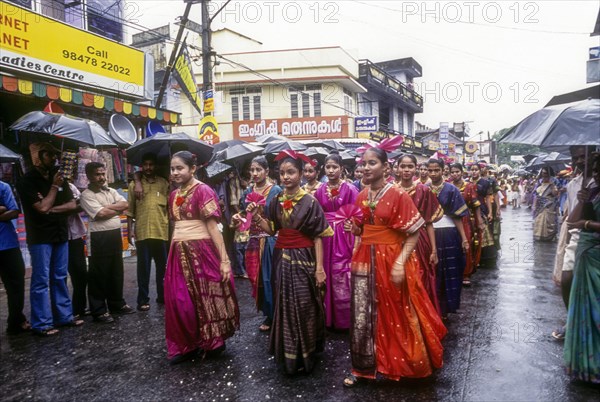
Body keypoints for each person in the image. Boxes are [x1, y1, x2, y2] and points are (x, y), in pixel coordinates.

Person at [343, 147, 446, 387]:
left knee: (396, 313)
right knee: (363, 313)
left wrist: (400, 262)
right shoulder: (361, 195)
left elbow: (414, 231)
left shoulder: (399, 194)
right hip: (364, 258)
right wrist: (356, 230)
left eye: (372, 163)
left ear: (386, 167)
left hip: (391, 258)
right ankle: (363, 367)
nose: (366, 168)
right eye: (363, 163)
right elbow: (361, 227)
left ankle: (402, 365)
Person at [247, 150, 333, 375]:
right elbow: (272, 229)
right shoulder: (275, 200)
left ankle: (307, 352)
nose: (286, 177)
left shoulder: (310, 201)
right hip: (282, 259)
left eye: (291, 172)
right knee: (283, 304)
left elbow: (317, 236)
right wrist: (257, 217)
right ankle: (288, 352)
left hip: (305, 258)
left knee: (305, 304)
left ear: (300, 174)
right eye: (282, 173)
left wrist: (320, 269)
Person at [164, 151, 240, 364]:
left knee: (206, 295)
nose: (175, 172)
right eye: (172, 169)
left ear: (192, 169)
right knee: (180, 300)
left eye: (180, 168)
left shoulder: (203, 190)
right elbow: (175, 228)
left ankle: (213, 341)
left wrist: (224, 260)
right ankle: (187, 344)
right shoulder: (173, 195)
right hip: (178, 252)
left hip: (202, 250)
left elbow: (213, 227)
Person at [16, 142, 82, 336]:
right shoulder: (27, 181)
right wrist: (54, 188)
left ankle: (63, 316)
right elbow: (41, 208)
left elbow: (72, 204)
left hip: (60, 233)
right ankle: (42, 323)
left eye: (55, 155)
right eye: (50, 155)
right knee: (41, 279)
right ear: (38, 157)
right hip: (40, 237)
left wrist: (52, 207)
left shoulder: (60, 178)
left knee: (60, 276)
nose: (54, 159)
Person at [80, 162, 135, 324]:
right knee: (99, 274)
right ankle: (98, 310)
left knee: (116, 271)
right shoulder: (86, 195)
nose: (101, 177)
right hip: (98, 238)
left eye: (103, 174)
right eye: (97, 174)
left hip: (114, 235)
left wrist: (108, 207)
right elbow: (101, 214)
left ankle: (116, 304)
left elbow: (126, 204)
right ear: (89, 176)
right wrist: (115, 209)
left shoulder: (111, 191)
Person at [552, 146, 597, 340]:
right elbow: (572, 220)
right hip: (579, 236)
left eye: (583, 156)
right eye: (575, 157)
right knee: (567, 279)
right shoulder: (573, 184)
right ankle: (572, 319)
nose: (580, 161)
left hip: (594, 238)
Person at [563, 152, 600, 384]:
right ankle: (588, 366)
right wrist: (583, 200)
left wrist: (586, 224)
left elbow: (581, 223)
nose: (596, 175)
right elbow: (572, 220)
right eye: (595, 171)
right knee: (585, 310)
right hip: (586, 255)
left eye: (598, 171)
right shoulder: (593, 192)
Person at [314, 152, 358, 330]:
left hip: (343, 233)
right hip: (325, 234)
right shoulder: (319, 190)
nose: (331, 170)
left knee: (342, 273)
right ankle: (327, 318)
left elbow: (356, 213)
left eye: (334, 167)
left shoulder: (350, 188)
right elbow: (316, 214)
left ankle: (344, 320)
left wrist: (352, 229)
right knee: (325, 271)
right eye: (328, 167)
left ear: (341, 169)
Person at [236, 156, 281, 332]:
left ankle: (274, 315)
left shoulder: (275, 190)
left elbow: (278, 217)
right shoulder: (248, 192)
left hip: (270, 239)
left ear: (267, 171)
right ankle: (267, 312)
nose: (254, 173)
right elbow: (243, 218)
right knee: (257, 280)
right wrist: (238, 218)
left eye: (258, 170)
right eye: (252, 170)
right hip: (253, 240)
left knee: (271, 279)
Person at [394, 154, 443, 312]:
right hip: (395, 240)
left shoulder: (424, 190)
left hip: (420, 241)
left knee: (419, 278)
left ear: (416, 168)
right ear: (397, 168)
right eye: (403, 166)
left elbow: (428, 223)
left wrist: (434, 249)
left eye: (410, 167)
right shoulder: (391, 190)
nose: (406, 170)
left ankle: (421, 316)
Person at [127, 153, 169, 311]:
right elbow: (130, 211)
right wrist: (129, 231)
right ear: (142, 166)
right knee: (143, 269)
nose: (148, 168)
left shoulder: (164, 183)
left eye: (151, 164)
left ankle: (163, 296)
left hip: (161, 231)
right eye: (145, 164)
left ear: (156, 166)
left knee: (162, 268)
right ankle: (142, 300)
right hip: (143, 232)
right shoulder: (134, 186)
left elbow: (169, 210)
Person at [428, 158, 469, 319]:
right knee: (433, 272)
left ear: (443, 170)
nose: (433, 173)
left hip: (450, 235)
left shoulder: (452, 190)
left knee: (450, 271)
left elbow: (458, 217)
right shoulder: (423, 189)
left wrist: (464, 239)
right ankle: (432, 308)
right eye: (430, 170)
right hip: (430, 235)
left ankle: (445, 308)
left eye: (436, 170)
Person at [0, 179, 30, 334]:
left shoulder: (2, 186)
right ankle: (17, 321)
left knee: (16, 283)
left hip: (7, 243)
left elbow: (14, 211)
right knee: (14, 284)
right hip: (6, 243)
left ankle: (15, 320)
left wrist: (4, 209)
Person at [450, 163, 484, 287]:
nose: (455, 174)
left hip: (465, 220)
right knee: (452, 245)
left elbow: (476, 205)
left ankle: (466, 274)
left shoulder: (469, 187)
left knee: (466, 245)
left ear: (462, 172)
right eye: (452, 172)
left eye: (457, 171)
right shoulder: (447, 186)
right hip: (450, 220)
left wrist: (479, 220)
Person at [67, 182, 88, 319]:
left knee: (80, 273)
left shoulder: (70, 187)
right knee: (59, 276)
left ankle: (79, 307)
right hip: (56, 236)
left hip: (75, 235)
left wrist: (66, 207)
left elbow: (82, 204)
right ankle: (63, 311)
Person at [468, 162, 495, 271]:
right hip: (469, 211)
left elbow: (488, 198)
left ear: (480, 171)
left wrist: (490, 212)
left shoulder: (485, 183)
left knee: (482, 235)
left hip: (481, 210)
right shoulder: (466, 183)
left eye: (476, 169)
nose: (474, 171)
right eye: (472, 169)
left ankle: (482, 258)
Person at [532, 166, 559, 242]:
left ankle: (549, 236)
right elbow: (536, 193)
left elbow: (556, 193)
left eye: (545, 173)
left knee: (548, 221)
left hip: (549, 204)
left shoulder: (554, 181)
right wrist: (534, 204)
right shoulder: (540, 181)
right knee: (538, 219)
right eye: (543, 173)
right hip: (539, 204)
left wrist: (552, 185)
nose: (544, 174)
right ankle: (539, 236)